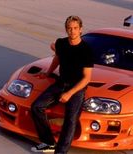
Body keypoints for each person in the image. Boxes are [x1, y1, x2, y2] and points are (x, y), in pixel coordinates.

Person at [31, 15, 94, 154]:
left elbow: (86, 78)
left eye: (75, 28)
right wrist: (47, 73)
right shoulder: (61, 43)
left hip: (77, 88)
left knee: (71, 120)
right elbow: (57, 60)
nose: (72, 31)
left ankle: (61, 152)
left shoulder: (86, 50)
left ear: (81, 29)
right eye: (69, 28)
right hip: (61, 83)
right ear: (66, 29)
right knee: (36, 107)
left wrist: (69, 93)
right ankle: (48, 142)